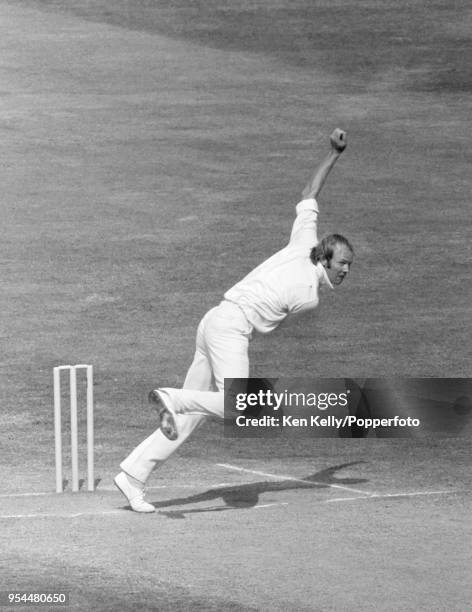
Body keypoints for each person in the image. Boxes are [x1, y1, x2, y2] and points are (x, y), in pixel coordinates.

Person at [114, 128, 354, 512]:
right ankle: (171, 396)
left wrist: (333, 152)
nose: (346, 271)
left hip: (213, 319)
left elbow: (309, 192)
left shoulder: (303, 243)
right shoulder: (309, 297)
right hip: (232, 331)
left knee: (190, 418)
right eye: (342, 264)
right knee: (237, 406)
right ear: (326, 259)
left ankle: (133, 475)